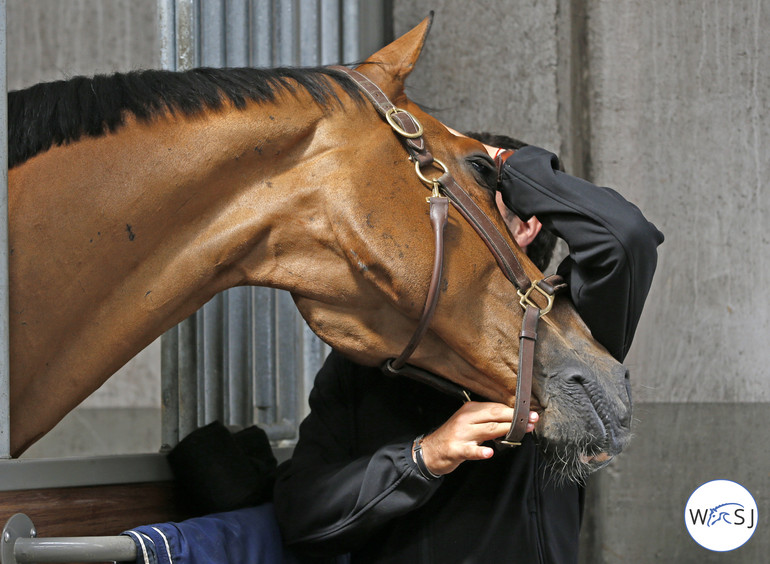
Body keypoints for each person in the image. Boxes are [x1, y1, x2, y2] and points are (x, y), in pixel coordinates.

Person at [273, 132, 664, 563]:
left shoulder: (568, 333)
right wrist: (424, 457)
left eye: (472, 188)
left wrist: (501, 165)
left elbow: (624, 237)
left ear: (526, 223)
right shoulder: (373, 358)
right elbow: (302, 517)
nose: (442, 207)